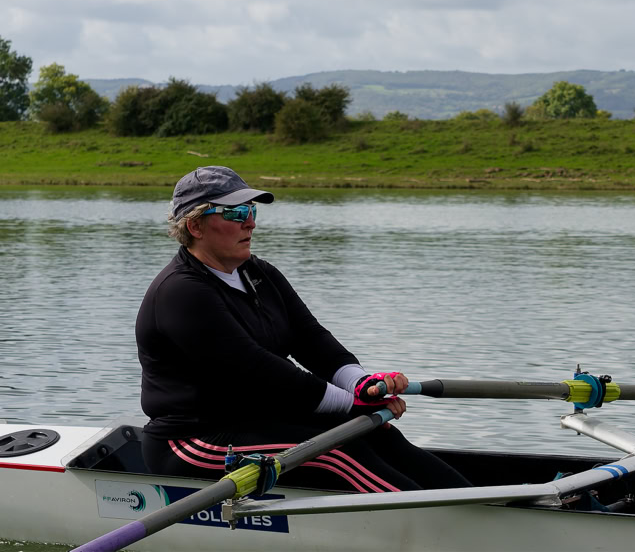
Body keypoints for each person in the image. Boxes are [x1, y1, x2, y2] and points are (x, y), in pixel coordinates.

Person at [136, 166, 470, 492]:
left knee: (376, 434)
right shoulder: (181, 292)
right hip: (192, 440)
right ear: (195, 226)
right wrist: (349, 403)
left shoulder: (258, 273)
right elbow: (257, 370)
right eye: (236, 213)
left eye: (251, 210)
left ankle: (480, 509)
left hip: (257, 421)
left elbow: (311, 338)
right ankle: (439, 523)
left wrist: (360, 384)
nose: (250, 222)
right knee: (338, 454)